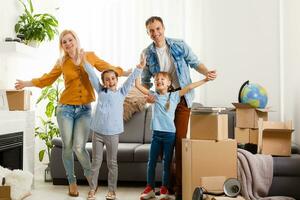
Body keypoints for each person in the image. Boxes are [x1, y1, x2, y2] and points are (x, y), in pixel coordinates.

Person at [14, 30, 129, 197]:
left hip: (84, 109)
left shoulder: (89, 56)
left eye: (70, 40)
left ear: (76, 40)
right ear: (62, 46)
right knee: (67, 147)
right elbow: (47, 79)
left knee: (78, 147)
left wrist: (124, 72)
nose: (67, 44)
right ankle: (72, 181)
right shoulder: (62, 62)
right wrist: (27, 83)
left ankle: (90, 176)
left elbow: (107, 67)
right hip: (65, 109)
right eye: (64, 42)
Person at [141, 16, 217, 200]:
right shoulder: (147, 54)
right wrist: (149, 96)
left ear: (163, 28)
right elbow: (144, 80)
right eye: (151, 30)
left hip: (180, 99)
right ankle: (168, 186)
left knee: (180, 144)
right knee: (161, 149)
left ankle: (180, 189)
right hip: (162, 101)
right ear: (148, 33)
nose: (156, 33)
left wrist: (206, 72)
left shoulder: (178, 45)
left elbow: (194, 61)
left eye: (158, 29)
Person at [136, 56, 209, 199]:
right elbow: (138, 86)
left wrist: (205, 80)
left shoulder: (174, 96)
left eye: (162, 79)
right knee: (151, 163)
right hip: (156, 135)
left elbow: (188, 87)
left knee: (167, 163)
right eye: (156, 80)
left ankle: (164, 189)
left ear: (169, 83)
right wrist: (140, 67)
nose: (159, 81)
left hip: (169, 135)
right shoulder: (153, 96)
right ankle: (150, 188)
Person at [80, 51, 143, 200]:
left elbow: (131, 79)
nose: (110, 81)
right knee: (95, 162)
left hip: (113, 134)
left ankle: (112, 191)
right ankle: (92, 189)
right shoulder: (101, 91)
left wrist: (139, 68)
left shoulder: (121, 92)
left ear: (116, 80)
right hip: (98, 133)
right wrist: (84, 61)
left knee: (112, 163)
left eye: (113, 78)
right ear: (103, 82)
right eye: (107, 79)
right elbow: (92, 75)